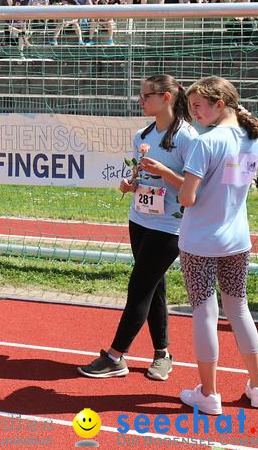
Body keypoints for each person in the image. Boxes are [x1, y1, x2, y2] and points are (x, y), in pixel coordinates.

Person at [78, 75, 196, 381]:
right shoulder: (142, 134)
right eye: (141, 96)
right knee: (154, 286)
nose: (141, 101)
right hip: (140, 219)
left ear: (167, 97)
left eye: (146, 96)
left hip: (170, 225)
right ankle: (163, 354)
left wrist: (166, 172)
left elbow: (194, 188)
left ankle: (115, 356)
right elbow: (141, 175)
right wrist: (132, 183)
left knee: (139, 287)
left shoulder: (187, 137)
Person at [176, 76, 258, 415]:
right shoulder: (255, 138)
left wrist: (172, 180)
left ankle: (210, 393)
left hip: (201, 240)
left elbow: (188, 197)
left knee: (204, 312)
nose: (193, 113)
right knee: (239, 309)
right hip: (237, 238)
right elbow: (232, 184)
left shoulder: (207, 142)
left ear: (219, 104)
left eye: (197, 106)